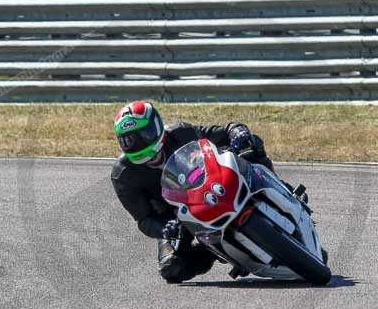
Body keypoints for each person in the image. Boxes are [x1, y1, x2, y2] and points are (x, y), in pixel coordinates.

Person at [110, 100, 296, 284]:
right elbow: (144, 219)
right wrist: (166, 229)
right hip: (179, 219)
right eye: (129, 140)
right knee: (171, 268)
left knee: (252, 145)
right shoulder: (123, 176)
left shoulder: (180, 133)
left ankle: (282, 189)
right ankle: (212, 251)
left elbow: (226, 130)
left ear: (157, 127)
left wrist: (238, 132)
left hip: (214, 183)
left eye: (144, 134)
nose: (138, 143)